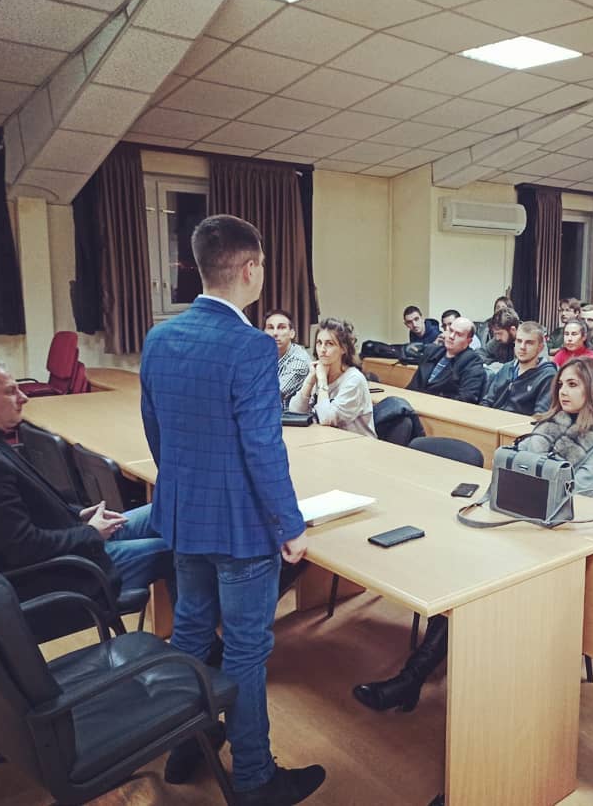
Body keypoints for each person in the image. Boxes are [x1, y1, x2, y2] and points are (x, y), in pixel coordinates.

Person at [140, 214, 325, 804]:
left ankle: (185, 746)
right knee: (246, 650)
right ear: (250, 269)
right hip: (241, 528)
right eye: (262, 265)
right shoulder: (251, 346)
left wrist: (187, 487)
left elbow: (156, 428)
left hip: (184, 515)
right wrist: (289, 525)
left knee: (191, 631)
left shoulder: (159, 337)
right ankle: (253, 777)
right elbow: (262, 446)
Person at [351, 357, 593, 714]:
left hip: (557, 538)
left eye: (573, 385)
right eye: (561, 384)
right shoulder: (547, 425)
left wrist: (525, 480)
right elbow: (514, 468)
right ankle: (414, 678)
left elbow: (580, 491)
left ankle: (409, 681)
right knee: (462, 574)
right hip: (515, 522)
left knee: (473, 581)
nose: (563, 391)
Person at [0, 359, 174, 611]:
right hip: (71, 567)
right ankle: (190, 632)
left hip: (71, 536)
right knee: (184, 548)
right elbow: (20, 549)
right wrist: (91, 533)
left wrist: (79, 515)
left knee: (171, 510)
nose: (23, 397)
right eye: (10, 391)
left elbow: (23, 513)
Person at [289, 317, 375, 438]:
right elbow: (295, 412)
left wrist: (322, 381)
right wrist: (310, 381)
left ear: (343, 348)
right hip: (326, 439)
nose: (322, 349)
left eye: (329, 344)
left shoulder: (354, 379)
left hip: (357, 444)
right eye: (319, 343)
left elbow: (326, 419)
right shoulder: (320, 371)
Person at [480, 321, 557, 414]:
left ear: (540, 348)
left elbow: (540, 415)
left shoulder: (548, 376)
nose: (522, 347)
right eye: (519, 341)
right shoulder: (506, 368)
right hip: (492, 419)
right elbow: (487, 401)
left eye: (529, 343)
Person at [407, 316, 486, 403]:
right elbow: (413, 385)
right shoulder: (432, 351)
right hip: (414, 402)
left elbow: (466, 399)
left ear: (468, 341)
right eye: (451, 331)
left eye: (458, 334)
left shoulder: (472, 363)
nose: (451, 336)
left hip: (439, 407)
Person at [264, 309, 311, 407]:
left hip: (292, 416)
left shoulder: (299, 362)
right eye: (270, 328)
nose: (275, 333)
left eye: (281, 327)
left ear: (292, 333)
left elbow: (270, 395)